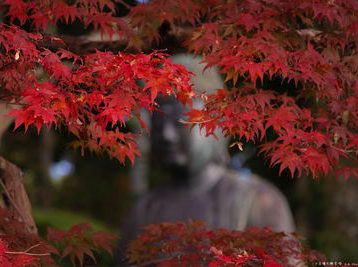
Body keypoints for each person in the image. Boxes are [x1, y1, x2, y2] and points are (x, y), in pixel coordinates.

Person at [119, 54, 295, 256]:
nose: (166, 135)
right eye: (158, 125)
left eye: (179, 122)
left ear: (217, 124)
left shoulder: (255, 201)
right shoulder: (145, 211)